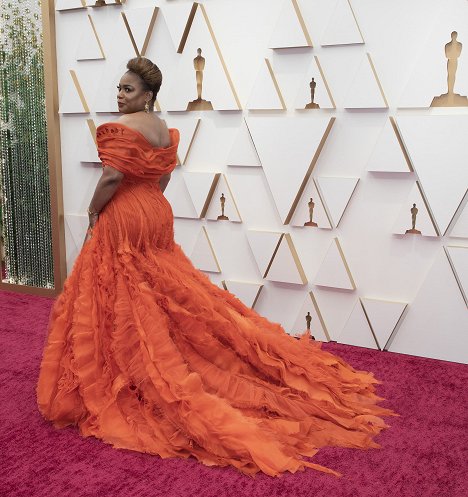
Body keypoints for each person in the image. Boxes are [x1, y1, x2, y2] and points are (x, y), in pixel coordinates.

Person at [37, 57, 394, 478]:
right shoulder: (163, 131)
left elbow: (112, 178)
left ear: (147, 94)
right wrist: (148, 200)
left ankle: (139, 369)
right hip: (155, 209)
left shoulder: (118, 130)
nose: (119, 94)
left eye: (128, 89)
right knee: (158, 289)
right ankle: (163, 354)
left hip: (125, 213)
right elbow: (163, 178)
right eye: (118, 88)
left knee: (123, 291)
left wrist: (91, 211)